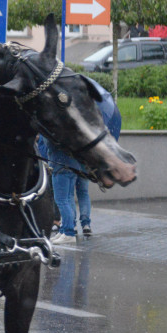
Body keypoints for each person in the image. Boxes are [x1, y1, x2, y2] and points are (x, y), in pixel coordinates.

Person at [46, 76, 121, 244]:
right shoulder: (77, 123)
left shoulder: (62, 124)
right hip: (72, 165)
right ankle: (69, 229)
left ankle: (69, 232)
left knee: (62, 199)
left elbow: (56, 141)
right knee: (73, 197)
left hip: (61, 164)